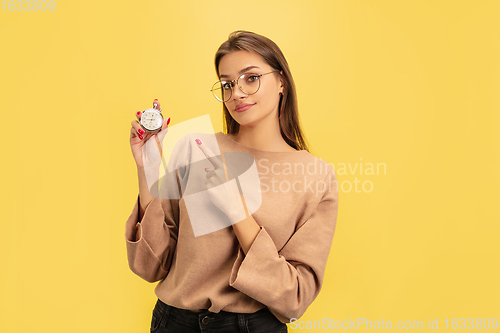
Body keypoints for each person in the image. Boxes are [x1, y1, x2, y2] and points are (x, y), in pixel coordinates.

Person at [126, 30, 339, 333]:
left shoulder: (316, 175)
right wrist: (147, 169)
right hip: (173, 322)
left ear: (281, 82)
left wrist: (237, 210)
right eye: (227, 84)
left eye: (250, 78)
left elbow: (296, 298)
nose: (236, 93)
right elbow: (149, 266)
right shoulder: (196, 149)